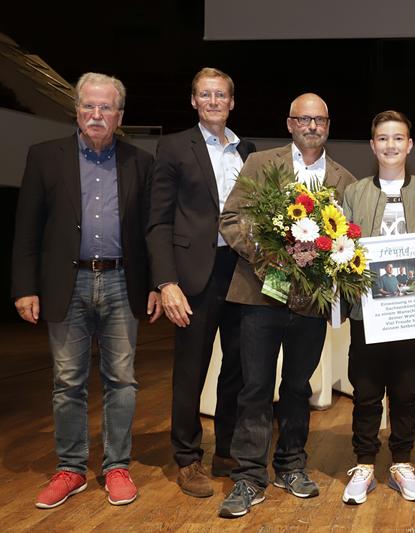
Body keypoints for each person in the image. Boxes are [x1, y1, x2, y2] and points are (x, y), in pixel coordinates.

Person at [11, 72, 161, 508]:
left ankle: (117, 466)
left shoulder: (140, 162)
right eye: (89, 106)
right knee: (68, 381)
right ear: (77, 110)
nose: (96, 114)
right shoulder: (44, 157)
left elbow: (150, 232)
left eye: (106, 107)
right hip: (66, 282)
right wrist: (24, 287)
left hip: (121, 281)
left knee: (122, 381)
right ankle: (71, 469)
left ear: (119, 115)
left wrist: (153, 284)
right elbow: (26, 229)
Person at [217, 93, 356, 518]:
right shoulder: (261, 164)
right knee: (255, 386)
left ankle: (291, 465)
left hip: (310, 305)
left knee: (297, 388)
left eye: (320, 120)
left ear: (328, 126)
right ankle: (249, 475)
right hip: (261, 295)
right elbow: (231, 219)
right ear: (290, 123)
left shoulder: (344, 179)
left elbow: (349, 240)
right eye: (304, 119)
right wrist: (268, 256)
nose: (312, 126)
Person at [147, 68, 256, 498]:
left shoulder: (246, 150)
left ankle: (226, 450)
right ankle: (188, 458)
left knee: (237, 368)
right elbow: (157, 221)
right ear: (194, 101)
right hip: (193, 276)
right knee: (191, 371)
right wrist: (165, 281)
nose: (213, 101)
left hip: (242, 272)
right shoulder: (174, 146)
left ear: (232, 102)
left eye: (221, 95)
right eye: (205, 94)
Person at [340, 110, 415, 505]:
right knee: (367, 391)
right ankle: (365, 463)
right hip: (367, 313)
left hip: (412, 312)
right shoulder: (354, 194)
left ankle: (402, 462)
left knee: (407, 391)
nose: (390, 145)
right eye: (383, 138)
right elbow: (341, 251)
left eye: (398, 138)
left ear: (410, 144)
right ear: (373, 146)